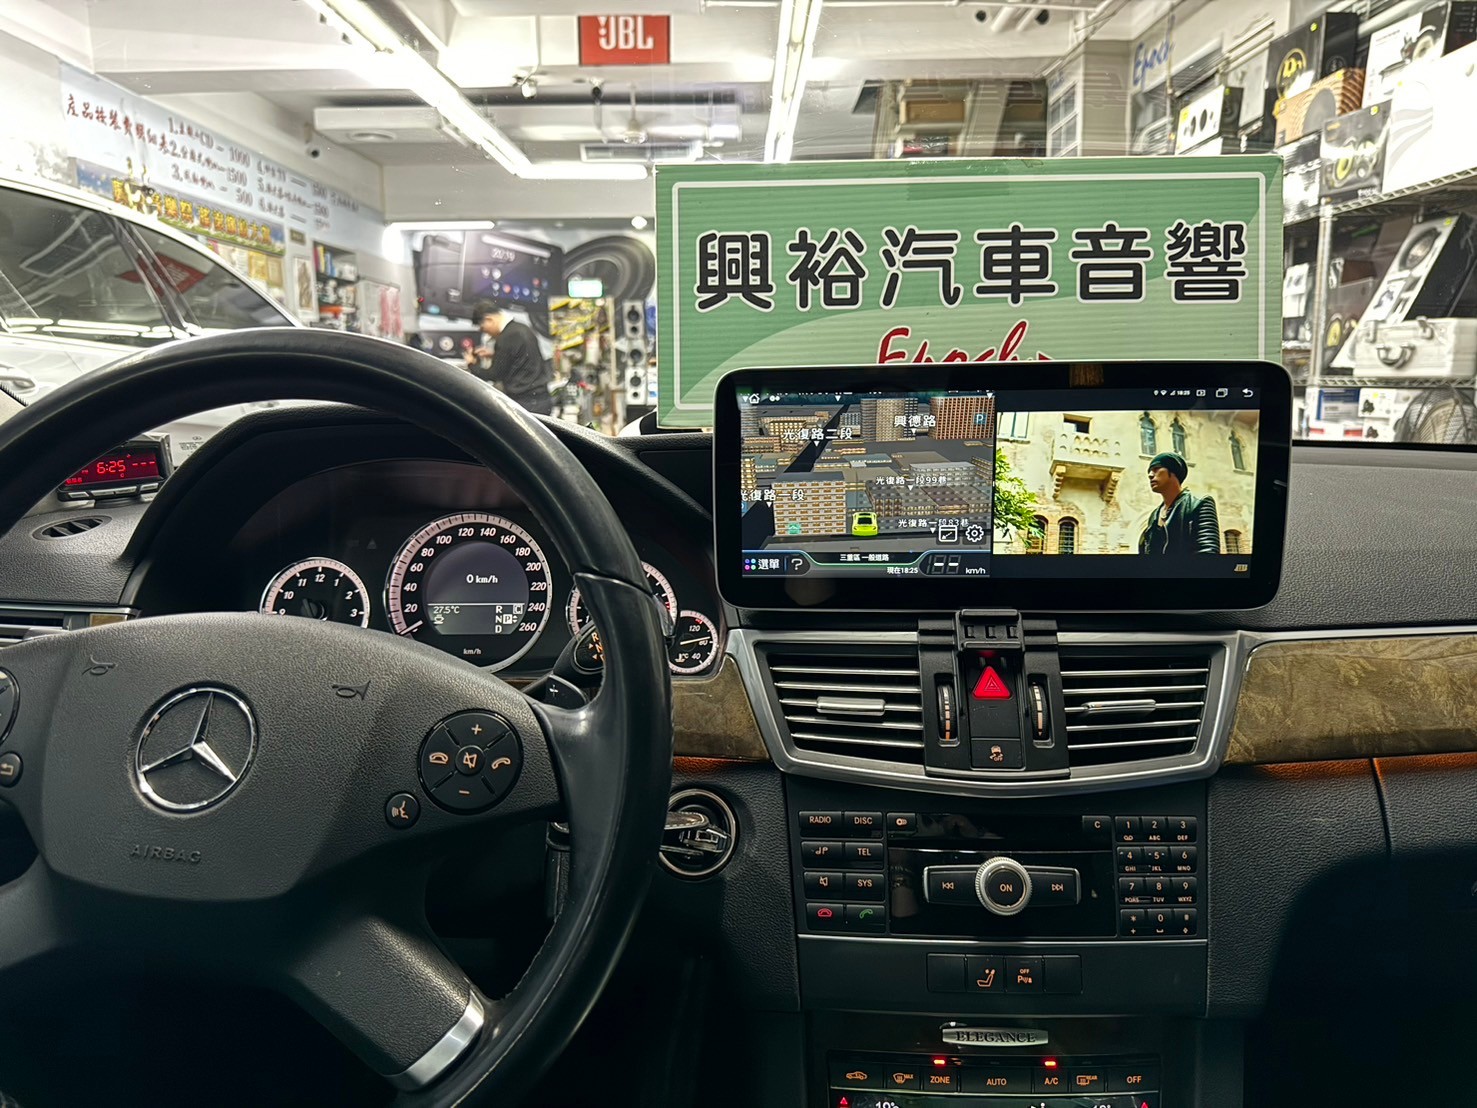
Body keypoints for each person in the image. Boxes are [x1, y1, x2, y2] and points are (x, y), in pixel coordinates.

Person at [464, 299, 554, 415]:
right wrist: (495, 354)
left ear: (489, 319)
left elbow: (494, 374)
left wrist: (471, 364)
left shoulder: (506, 337)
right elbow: (520, 358)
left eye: (483, 328)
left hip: (526, 403)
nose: (486, 333)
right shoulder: (522, 328)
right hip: (541, 399)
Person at [1137, 452, 1221, 555]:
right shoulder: (1154, 516)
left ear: (1173, 472)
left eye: (1156, 469)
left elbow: (1208, 553)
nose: (1150, 475)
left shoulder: (1198, 503)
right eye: (1149, 471)